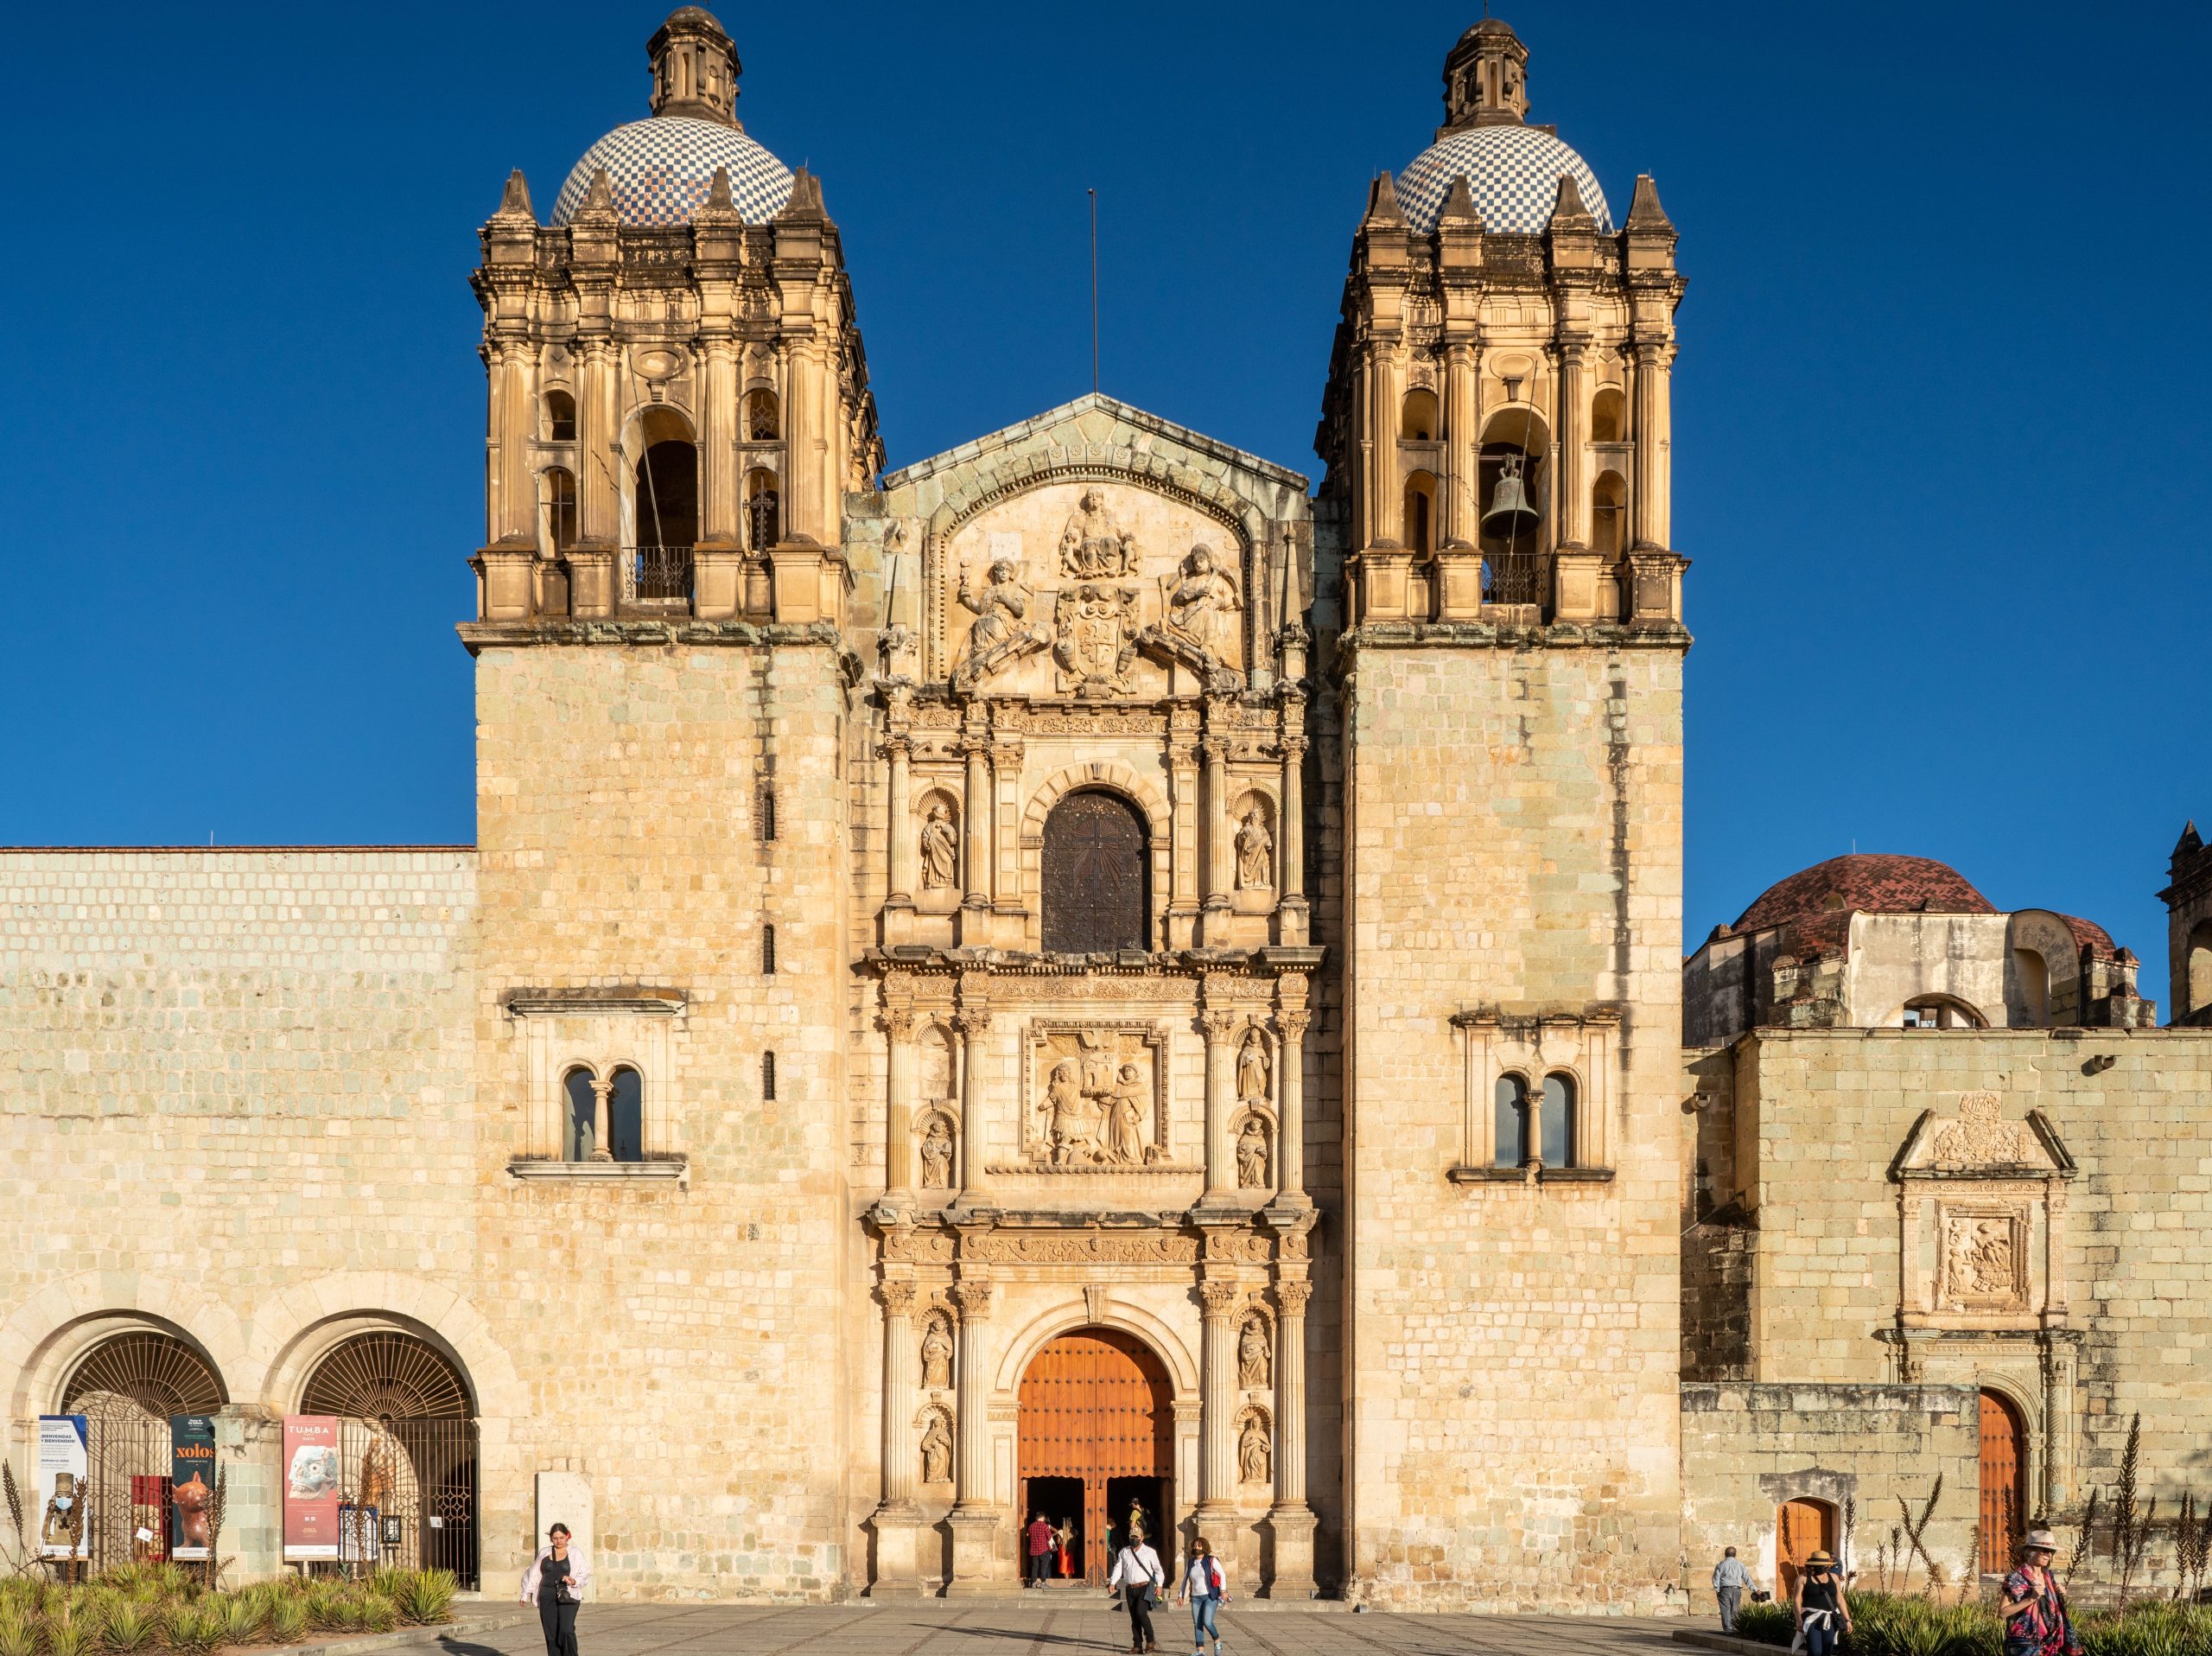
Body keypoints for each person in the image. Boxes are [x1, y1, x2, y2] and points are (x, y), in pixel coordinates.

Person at [2001, 1529, 2081, 1656]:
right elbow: (2002, 1612)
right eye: (2045, 1551)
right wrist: (2031, 1598)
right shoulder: (2015, 1578)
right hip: (2025, 1643)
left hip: (2049, 1641)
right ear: (2030, 1552)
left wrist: (2057, 1594)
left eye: (2051, 1551)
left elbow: (2051, 1608)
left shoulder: (2048, 1576)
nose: (2049, 1555)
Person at [521, 1522, 591, 1656]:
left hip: (568, 1596)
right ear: (551, 1539)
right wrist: (525, 1594)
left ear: (567, 1537)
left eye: (562, 1538)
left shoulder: (575, 1553)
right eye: (555, 1538)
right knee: (551, 1634)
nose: (559, 1541)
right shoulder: (544, 1552)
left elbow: (585, 1573)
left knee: (566, 1630)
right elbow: (533, 1574)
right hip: (547, 1595)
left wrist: (574, 1580)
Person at [1107, 1525, 1166, 1654]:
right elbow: (1118, 1568)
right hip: (1130, 1588)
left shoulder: (1150, 1552)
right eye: (1132, 1537)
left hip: (1144, 1587)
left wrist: (1159, 1585)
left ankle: (1150, 1640)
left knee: (1141, 1612)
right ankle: (1137, 1645)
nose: (1134, 1539)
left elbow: (1158, 1569)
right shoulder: (1124, 1552)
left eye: (1136, 1537)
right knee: (1134, 1617)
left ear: (1142, 1537)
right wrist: (1113, 1582)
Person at [1178, 1536, 1228, 1656]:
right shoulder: (1191, 1562)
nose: (1196, 1548)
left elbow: (1222, 1574)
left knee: (1207, 1622)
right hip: (1196, 1598)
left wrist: (1223, 1590)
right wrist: (1181, 1595)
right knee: (1197, 1624)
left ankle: (1217, 1640)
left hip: (1210, 1596)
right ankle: (1200, 1651)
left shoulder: (1211, 1560)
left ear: (1204, 1547)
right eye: (1195, 1546)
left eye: (1199, 1546)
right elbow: (1185, 1580)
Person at [1792, 1550, 1850, 1656]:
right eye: (1818, 1565)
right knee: (1815, 1651)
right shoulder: (1803, 1578)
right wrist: (1798, 1620)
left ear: (1827, 1566)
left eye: (1823, 1565)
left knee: (1827, 1651)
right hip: (1811, 1618)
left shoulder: (1834, 1577)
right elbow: (1796, 1600)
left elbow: (1839, 1599)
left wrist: (1847, 1620)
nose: (1821, 1568)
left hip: (1830, 1618)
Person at [1712, 1545, 1758, 1634]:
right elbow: (1747, 1578)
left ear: (1725, 1554)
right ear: (1735, 1555)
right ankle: (1734, 1628)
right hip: (1737, 1590)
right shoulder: (1740, 1564)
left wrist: (1717, 1589)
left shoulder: (1721, 1564)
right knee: (1735, 1610)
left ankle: (1728, 1630)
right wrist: (1755, 1589)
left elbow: (1715, 1578)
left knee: (1725, 1609)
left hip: (1724, 1589)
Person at [1025, 1511, 1056, 1588]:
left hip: (1033, 1550)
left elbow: (1029, 1537)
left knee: (1035, 1567)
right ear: (1043, 1517)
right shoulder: (1044, 1526)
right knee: (1044, 1567)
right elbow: (1049, 1537)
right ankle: (1043, 1583)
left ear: (1037, 1518)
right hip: (1044, 1549)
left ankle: (1033, 1583)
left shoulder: (1031, 1526)